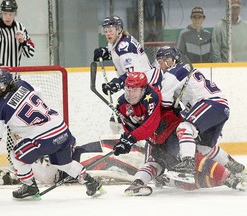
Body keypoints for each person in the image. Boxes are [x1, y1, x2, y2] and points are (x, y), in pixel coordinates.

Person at [0, 68, 104, 199]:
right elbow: (38, 94)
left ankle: (29, 186)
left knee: (16, 155)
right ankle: (91, 182)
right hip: (62, 129)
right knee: (63, 164)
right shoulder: (22, 84)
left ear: (3, 86)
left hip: (46, 139)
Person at [112, 72, 247, 196]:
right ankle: (138, 184)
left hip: (172, 134)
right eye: (128, 89)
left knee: (198, 155)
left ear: (143, 89)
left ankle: (231, 177)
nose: (131, 94)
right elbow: (130, 125)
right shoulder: (122, 103)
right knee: (153, 162)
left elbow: (150, 125)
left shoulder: (152, 96)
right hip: (154, 138)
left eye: (134, 90)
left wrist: (131, 138)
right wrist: (126, 140)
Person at [156, 46, 245, 175]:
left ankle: (188, 164)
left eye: (164, 60)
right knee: (204, 147)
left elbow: (164, 101)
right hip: (220, 107)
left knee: (184, 128)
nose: (163, 65)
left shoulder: (173, 72)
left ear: (173, 60)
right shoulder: (183, 69)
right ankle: (235, 167)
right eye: (159, 62)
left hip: (210, 103)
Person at [0, 0, 35, 166]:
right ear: (1, 13)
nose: (8, 17)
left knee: (15, 122)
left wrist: (23, 41)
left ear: (15, 14)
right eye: (5, 14)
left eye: (11, 14)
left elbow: (30, 52)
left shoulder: (20, 28)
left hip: (14, 84)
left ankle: (13, 158)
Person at [93, 15, 163, 133]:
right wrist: (106, 52)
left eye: (110, 31)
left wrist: (117, 83)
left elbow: (134, 76)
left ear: (119, 30)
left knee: (120, 121)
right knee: (119, 120)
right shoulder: (119, 41)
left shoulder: (125, 48)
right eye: (105, 31)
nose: (108, 34)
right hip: (140, 87)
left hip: (148, 88)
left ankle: (136, 143)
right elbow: (117, 53)